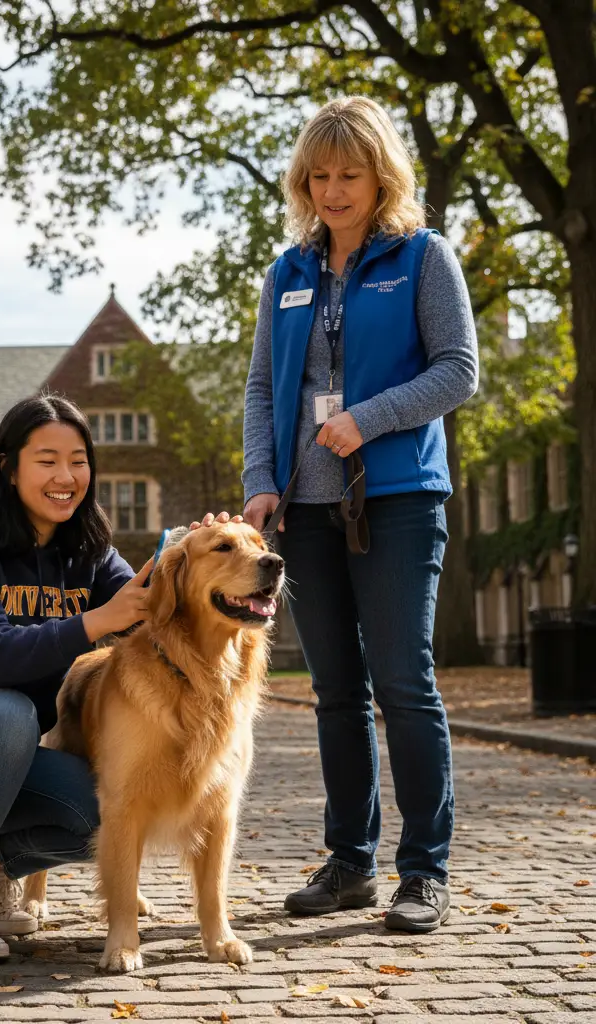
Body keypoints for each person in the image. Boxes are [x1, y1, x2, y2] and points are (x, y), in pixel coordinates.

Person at [0, 393, 232, 963]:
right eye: (47, 460)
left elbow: (153, 604)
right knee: (7, 708)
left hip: (5, 760)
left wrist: (203, 552)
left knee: (102, 808)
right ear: (9, 467)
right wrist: (95, 621)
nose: (66, 476)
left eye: (79, 459)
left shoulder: (86, 552)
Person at [241, 97, 479, 933]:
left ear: (383, 177)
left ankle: (425, 871)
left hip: (400, 499)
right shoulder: (287, 273)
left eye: (351, 174)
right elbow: (262, 388)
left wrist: (365, 420)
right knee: (335, 690)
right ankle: (351, 863)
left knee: (404, 684)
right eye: (320, 175)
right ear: (303, 181)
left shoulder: (422, 257)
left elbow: (458, 371)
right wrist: (261, 478)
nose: (335, 190)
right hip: (304, 508)